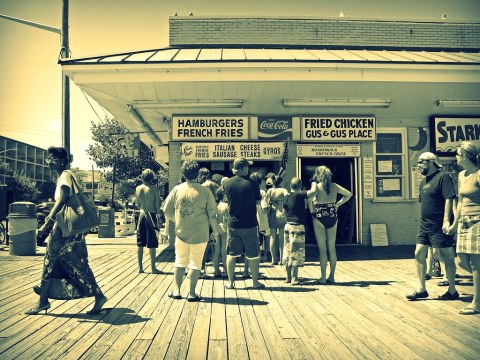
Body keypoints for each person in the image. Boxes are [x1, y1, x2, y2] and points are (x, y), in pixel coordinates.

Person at [26, 146, 107, 315]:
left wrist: (46, 224)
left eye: (52, 159)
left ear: (62, 160)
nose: (49, 162)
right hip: (69, 228)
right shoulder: (65, 175)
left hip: (64, 228)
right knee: (73, 262)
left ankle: (43, 299)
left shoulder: (65, 175)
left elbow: (62, 200)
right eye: (48, 159)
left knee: (52, 259)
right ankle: (45, 297)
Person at [162, 160, 220, 301]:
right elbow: (212, 214)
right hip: (200, 233)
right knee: (195, 263)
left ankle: (176, 291)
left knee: (180, 261)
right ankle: (192, 293)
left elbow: (166, 209)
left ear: (183, 173)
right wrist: (216, 232)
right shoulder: (205, 191)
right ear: (198, 174)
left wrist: (177, 219)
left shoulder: (177, 189)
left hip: (181, 232)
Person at [406, 152, 458, 301]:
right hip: (425, 225)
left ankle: (452, 290)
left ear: (431, 162)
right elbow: (425, 202)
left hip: (439, 224)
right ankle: (421, 289)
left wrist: (446, 220)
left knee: (447, 255)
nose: (419, 165)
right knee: (418, 253)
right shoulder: (424, 181)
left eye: (421, 162)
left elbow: (449, 199)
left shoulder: (443, 177)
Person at [447, 142, 480, 314]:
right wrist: (454, 223)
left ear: (465, 156)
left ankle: (477, 303)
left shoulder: (479, 174)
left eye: (458, 154)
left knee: (476, 265)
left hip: (477, 222)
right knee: (460, 260)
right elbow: (460, 201)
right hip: (464, 223)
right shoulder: (461, 175)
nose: (456, 157)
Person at [223, 158, 264, 289]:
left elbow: (226, 200)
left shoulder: (227, 183)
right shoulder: (252, 184)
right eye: (247, 167)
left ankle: (230, 282)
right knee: (253, 254)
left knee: (231, 254)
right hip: (250, 224)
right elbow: (258, 202)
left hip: (233, 224)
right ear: (244, 168)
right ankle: (255, 282)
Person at [308, 165, 352, 284]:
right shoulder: (334, 186)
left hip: (319, 217)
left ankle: (322, 277)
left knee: (322, 250)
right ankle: (331, 276)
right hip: (332, 216)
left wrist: (312, 210)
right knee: (332, 248)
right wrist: (338, 204)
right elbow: (349, 194)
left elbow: (308, 199)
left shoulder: (316, 186)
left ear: (317, 175)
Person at [282, 177, 317, 285]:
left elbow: (284, 212)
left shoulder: (286, 197)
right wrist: (314, 182)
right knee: (296, 252)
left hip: (287, 225)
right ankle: (294, 278)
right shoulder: (299, 195)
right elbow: (314, 191)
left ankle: (288, 277)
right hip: (297, 226)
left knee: (287, 251)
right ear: (300, 187)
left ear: (290, 186)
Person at [135, 168, 162, 274]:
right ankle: (153, 268)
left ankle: (140, 267)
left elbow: (138, 205)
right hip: (151, 216)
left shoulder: (138, 188)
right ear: (152, 178)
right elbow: (157, 207)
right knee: (152, 243)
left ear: (142, 177)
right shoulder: (154, 189)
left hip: (142, 215)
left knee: (140, 243)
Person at [266, 175, 289, 265]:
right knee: (281, 238)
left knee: (272, 237)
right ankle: (281, 260)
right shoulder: (283, 190)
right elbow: (287, 199)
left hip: (272, 214)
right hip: (281, 213)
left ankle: (273, 259)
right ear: (281, 182)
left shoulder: (270, 190)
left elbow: (267, 203)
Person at [213, 186, 228, 278]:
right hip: (225, 228)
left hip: (216, 228)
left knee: (216, 251)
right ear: (224, 195)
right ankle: (226, 270)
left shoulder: (216, 205)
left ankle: (216, 270)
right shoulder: (227, 206)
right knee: (224, 250)